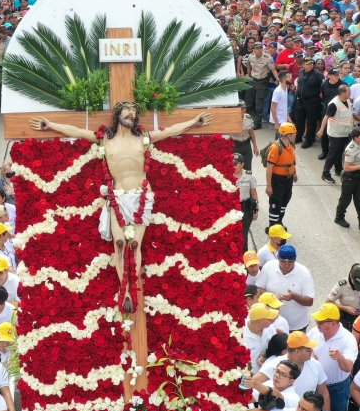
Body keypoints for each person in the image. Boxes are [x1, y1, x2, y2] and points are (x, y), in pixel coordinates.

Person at [29, 103, 210, 312]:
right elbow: (77, 131)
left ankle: (135, 290)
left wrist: (194, 122)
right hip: (118, 196)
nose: (131, 113)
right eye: (127, 110)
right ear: (117, 114)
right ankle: (124, 293)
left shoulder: (143, 138)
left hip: (141, 196)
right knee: (120, 243)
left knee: (135, 245)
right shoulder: (105, 138)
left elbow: (170, 131)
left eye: (134, 111)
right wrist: (50, 124)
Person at [255, 245, 316, 332]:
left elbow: (310, 301)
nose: (286, 265)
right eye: (283, 261)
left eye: (290, 262)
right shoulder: (269, 267)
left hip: (296, 327)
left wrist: (293, 296)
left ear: (295, 260)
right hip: (271, 323)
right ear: (278, 258)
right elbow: (258, 288)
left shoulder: (304, 273)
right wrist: (272, 296)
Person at [335, 129, 360, 230]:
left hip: (359, 176)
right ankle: (339, 217)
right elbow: (347, 167)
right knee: (345, 199)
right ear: (355, 138)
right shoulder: (350, 149)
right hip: (350, 177)